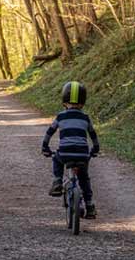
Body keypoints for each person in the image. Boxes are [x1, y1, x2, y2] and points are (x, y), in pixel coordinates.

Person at [41, 81, 100, 219]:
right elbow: (93, 135)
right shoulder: (85, 118)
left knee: (57, 158)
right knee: (84, 179)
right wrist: (95, 149)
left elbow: (49, 132)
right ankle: (90, 206)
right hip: (82, 155)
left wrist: (45, 147)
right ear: (83, 102)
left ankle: (57, 181)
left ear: (64, 101)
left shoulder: (60, 116)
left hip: (65, 153)